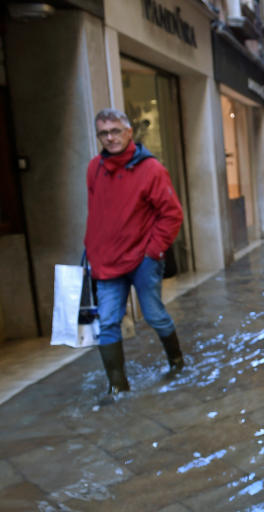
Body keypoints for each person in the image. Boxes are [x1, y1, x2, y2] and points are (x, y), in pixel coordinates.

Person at [84, 108, 185, 396]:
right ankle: (118, 387)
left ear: (129, 133)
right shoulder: (94, 169)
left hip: (142, 259)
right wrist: (92, 247)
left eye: (115, 130)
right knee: (108, 323)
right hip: (105, 261)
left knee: (154, 315)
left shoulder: (151, 169)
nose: (110, 137)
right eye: (104, 132)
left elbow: (171, 214)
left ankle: (176, 362)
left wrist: (152, 252)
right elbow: (96, 211)